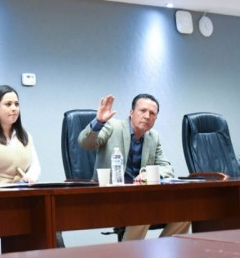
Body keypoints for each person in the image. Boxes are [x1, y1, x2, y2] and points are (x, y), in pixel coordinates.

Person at [78, 93, 190, 241]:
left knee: (186, 212)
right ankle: (129, 253)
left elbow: (167, 168)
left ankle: (162, 249)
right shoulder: (112, 126)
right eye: (142, 110)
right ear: (131, 113)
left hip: (141, 196)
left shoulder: (153, 137)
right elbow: (85, 143)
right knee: (142, 210)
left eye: (152, 113)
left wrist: (148, 174)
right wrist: (99, 122)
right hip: (111, 196)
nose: (147, 116)